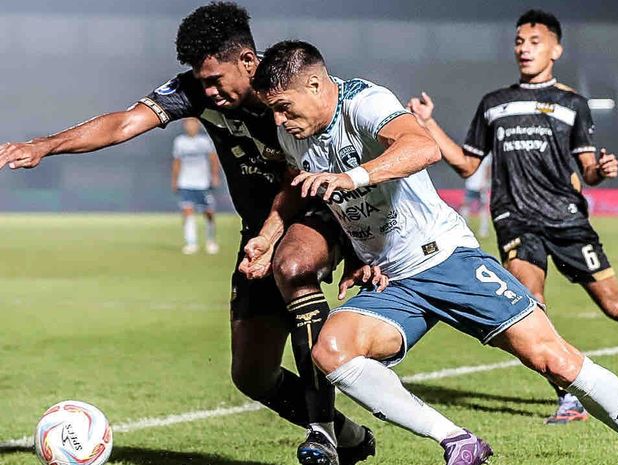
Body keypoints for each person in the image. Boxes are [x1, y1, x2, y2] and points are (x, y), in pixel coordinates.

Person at [242, 40, 618, 465]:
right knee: (331, 350)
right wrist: (268, 236)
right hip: (394, 281)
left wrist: (353, 178)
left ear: (316, 86)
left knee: (553, 359)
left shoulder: (364, 102)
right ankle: (457, 441)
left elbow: (422, 146)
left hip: (447, 260)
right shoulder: (294, 136)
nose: (280, 121)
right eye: (273, 112)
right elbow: (294, 188)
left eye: (284, 107)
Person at [0, 4, 377, 465]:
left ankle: (322, 435)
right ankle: (350, 435)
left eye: (216, 79)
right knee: (252, 375)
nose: (209, 91)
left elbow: (317, 168)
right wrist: (44, 146)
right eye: (202, 81)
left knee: (293, 266)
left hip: (317, 211)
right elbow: (123, 122)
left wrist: (354, 245)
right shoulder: (196, 92)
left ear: (247, 61)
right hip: (256, 230)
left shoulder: (287, 91)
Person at [407, 9, 618, 425]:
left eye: (535, 41)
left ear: (556, 49)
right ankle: (568, 396)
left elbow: (588, 171)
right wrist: (428, 123)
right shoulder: (494, 104)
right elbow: (468, 166)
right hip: (515, 219)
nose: (525, 48)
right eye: (519, 42)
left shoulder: (572, 104)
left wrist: (602, 169)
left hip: (566, 219)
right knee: (531, 305)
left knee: (616, 306)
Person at [171, 117, 220, 255]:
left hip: (203, 183)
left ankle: (210, 241)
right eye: (188, 124)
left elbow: (213, 159)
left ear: (198, 125)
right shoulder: (180, 142)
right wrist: (175, 180)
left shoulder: (204, 141)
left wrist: (215, 176)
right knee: (187, 211)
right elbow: (176, 162)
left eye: (193, 123)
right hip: (186, 182)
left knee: (208, 213)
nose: (190, 126)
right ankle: (191, 243)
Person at [459, 154, 491, 238]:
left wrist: (485, 183)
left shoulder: (486, 155)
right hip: (471, 184)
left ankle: (484, 230)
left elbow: (488, 170)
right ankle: (465, 228)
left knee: (483, 208)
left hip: (481, 186)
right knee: (465, 205)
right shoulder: (469, 154)